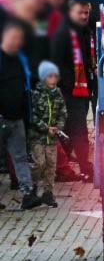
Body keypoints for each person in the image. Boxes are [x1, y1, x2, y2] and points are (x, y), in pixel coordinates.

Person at [49, 0, 96, 181]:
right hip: (71, 91)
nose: (84, 16)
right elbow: (56, 64)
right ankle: (84, 167)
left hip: (80, 89)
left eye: (86, 12)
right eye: (80, 13)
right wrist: (67, 85)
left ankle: (63, 168)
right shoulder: (63, 35)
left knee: (70, 129)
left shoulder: (83, 31)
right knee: (79, 129)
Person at [0, 24, 42, 210]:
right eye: (14, 39)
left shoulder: (20, 59)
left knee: (21, 157)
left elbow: (27, 81)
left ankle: (27, 194)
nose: (18, 43)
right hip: (3, 116)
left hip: (17, 117)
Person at [29, 60, 66, 208]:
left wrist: (58, 127)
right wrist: (45, 128)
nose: (53, 79)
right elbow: (32, 116)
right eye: (50, 76)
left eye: (55, 76)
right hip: (38, 136)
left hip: (51, 138)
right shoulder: (36, 94)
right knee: (39, 163)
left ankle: (48, 192)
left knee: (51, 165)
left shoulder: (57, 94)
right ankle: (32, 188)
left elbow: (63, 112)